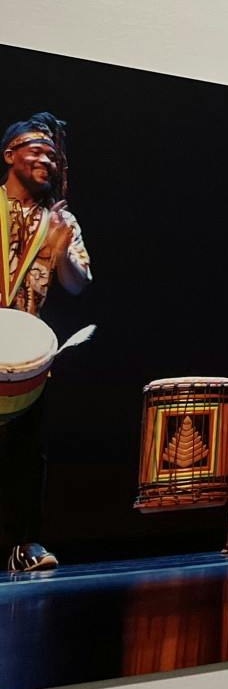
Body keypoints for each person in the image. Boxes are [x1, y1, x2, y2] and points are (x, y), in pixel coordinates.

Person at [0, 113, 91, 571]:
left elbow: (77, 283)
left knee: (26, 454)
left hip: (26, 356)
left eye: (52, 156)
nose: (46, 161)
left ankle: (24, 545)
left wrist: (59, 248)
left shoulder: (59, 219)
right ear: (9, 154)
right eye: (36, 151)